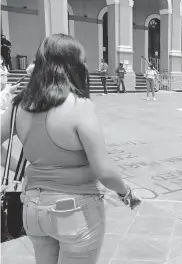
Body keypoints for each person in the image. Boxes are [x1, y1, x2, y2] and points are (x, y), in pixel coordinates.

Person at [0, 34, 141, 264]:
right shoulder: (79, 106)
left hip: (33, 208)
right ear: (73, 65)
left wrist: (22, 169)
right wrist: (127, 193)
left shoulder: (19, 106)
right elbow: (104, 171)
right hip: (74, 210)